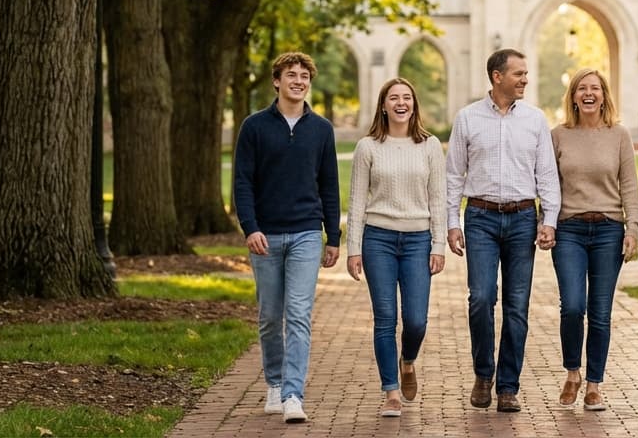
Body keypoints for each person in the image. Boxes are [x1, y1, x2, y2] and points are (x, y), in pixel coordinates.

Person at [446, 48, 561, 413]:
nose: (525, 79)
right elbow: (452, 176)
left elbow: (546, 174)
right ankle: (483, 373)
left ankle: (508, 386)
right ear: (497, 77)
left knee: (516, 306)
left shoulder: (535, 120)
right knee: (481, 298)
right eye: (519, 74)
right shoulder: (467, 119)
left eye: (526, 74)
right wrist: (452, 222)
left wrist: (549, 220)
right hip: (479, 217)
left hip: (522, 218)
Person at [233, 51, 341, 424]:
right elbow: (242, 182)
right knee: (269, 316)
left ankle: (294, 394)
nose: (298, 80)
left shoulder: (322, 129)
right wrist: (251, 227)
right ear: (276, 81)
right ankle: (275, 383)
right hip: (266, 235)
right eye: (291, 75)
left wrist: (333, 237)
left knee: (298, 315)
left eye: (304, 76)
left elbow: (329, 185)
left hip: (307, 233)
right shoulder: (254, 127)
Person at [346, 77, 446, 418]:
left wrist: (439, 244)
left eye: (407, 97)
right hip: (378, 240)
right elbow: (357, 201)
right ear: (384, 105)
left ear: (414, 104)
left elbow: (438, 198)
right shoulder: (368, 147)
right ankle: (390, 390)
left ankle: (408, 361)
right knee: (385, 318)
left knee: (416, 320)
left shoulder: (430, 145)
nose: (401, 103)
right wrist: (353, 248)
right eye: (394, 98)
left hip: (418, 240)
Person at [550, 68, 638, 411]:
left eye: (595, 88)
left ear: (604, 95)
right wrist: (548, 223)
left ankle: (593, 385)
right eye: (582, 89)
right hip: (569, 229)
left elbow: (629, 186)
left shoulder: (619, 135)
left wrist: (632, 228)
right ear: (573, 96)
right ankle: (572, 371)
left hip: (608, 230)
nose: (589, 94)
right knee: (573, 306)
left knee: (600, 313)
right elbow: (548, 183)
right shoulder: (558, 135)